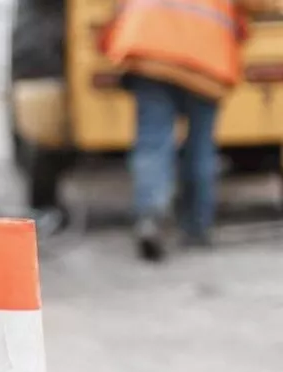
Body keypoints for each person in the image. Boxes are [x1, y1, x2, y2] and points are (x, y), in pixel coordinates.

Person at [102, 0, 273, 261]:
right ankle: (195, 228)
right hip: (205, 59)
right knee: (200, 147)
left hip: (150, 50)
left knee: (153, 142)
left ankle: (151, 216)